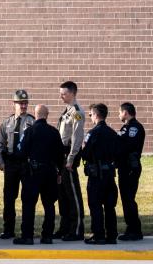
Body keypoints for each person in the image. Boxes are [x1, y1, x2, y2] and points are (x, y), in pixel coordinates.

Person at [13, 104, 64, 245]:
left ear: (35, 115)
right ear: (47, 115)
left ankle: (27, 236)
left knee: (29, 204)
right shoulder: (54, 132)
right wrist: (59, 171)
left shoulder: (29, 131)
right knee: (49, 205)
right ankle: (47, 236)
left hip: (32, 173)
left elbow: (20, 152)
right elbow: (60, 155)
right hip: (50, 172)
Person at [0, 90, 35, 239]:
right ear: (14, 104)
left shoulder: (32, 122)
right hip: (11, 164)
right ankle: (8, 229)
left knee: (27, 198)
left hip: (26, 164)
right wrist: (1, 162)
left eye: (25, 103)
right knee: (9, 198)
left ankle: (26, 230)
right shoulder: (7, 123)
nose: (23, 106)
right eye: (20, 103)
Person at [81, 103, 120, 245]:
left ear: (96, 115)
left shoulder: (92, 133)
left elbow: (85, 154)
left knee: (95, 205)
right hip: (110, 174)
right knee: (110, 206)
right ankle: (111, 235)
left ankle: (99, 235)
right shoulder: (113, 133)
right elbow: (118, 153)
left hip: (96, 176)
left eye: (90, 114)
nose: (90, 117)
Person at [56, 80, 86, 241]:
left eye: (64, 93)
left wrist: (71, 159)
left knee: (73, 194)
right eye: (60, 93)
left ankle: (77, 230)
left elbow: (77, 136)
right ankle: (65, 227)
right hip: (62, 156)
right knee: (63, 194)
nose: (61, 96)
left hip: (69, 156)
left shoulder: (77, 112)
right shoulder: (66, 111)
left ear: (73, 93)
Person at [116, 102, 144, 241]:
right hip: (124, 168)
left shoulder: (135, 128)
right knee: (126, 199)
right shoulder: (126, 127)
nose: (119, 115)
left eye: (120, 112)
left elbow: (126, 146)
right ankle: (131, 228)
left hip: (130, 168)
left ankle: (135, 230)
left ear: (125, 113)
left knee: (128, 199)